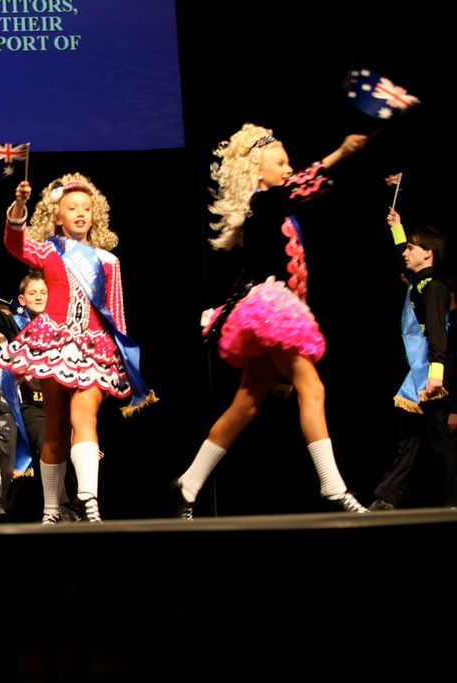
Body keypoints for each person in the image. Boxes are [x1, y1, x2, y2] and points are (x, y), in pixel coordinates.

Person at [173, 123, 368, 518]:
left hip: (272, 313)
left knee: (246, 403)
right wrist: (341, 153)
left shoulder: (275, 206)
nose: (288, 168)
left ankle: (188, 483)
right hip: (268, 308)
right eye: (280, 162)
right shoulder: (262, 203)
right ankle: (333, 487)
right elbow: (297, 189)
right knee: (312, 388)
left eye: (288, 162)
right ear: (256, 169)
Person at [0, 175, 156, 524]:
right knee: (54, 427)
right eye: (72, 208)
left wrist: (123, 360)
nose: (81, 213)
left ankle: (90, 502)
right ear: (58, 216)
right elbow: (15, 244)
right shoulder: (49, 251)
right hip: (55, 344)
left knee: (84, 418)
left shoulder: (108, 261)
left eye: (86, 208)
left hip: (94, 348)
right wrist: (20, 206)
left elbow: (116, 314)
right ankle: (51, 510)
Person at [0, 254, 80, 522]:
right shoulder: (18, 327)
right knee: (50, 444)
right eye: (33, 292)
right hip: (33, 406)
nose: (39, 296)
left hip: (62, 403)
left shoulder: (62, 326)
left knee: (66, 452)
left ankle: (67, 509)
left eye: (43, 292)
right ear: (22, 298)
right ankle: (60, 508)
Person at [367, 209, 457, 509]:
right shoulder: (417, 283)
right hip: (421, 371)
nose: (406, 253)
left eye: (411, 248)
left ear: (428, 253)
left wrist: (437, 372)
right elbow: (401, 259)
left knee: (441, 442)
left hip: (432, 372)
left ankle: (453, 502)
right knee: (410, 436)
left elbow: (437, 330)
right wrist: (397, 228)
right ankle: (386, 498)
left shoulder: (434, 286)